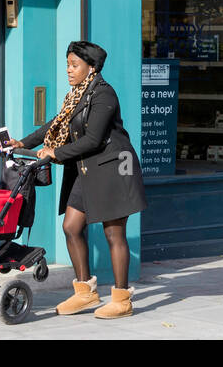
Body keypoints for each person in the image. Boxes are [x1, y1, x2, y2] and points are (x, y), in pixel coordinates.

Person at [12, 41, 147, 318]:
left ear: (92, 67)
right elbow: (56, 124)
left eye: (74, 65)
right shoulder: (76, 95)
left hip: (114, 168)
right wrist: (22, 143)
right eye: (67, 64)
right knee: (72, 226)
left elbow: (93, 139)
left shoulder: (104, 94)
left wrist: (55, 153)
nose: (69, 70)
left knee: (114, 233)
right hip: (87, 170)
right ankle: (84, 292)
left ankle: (122, 299)